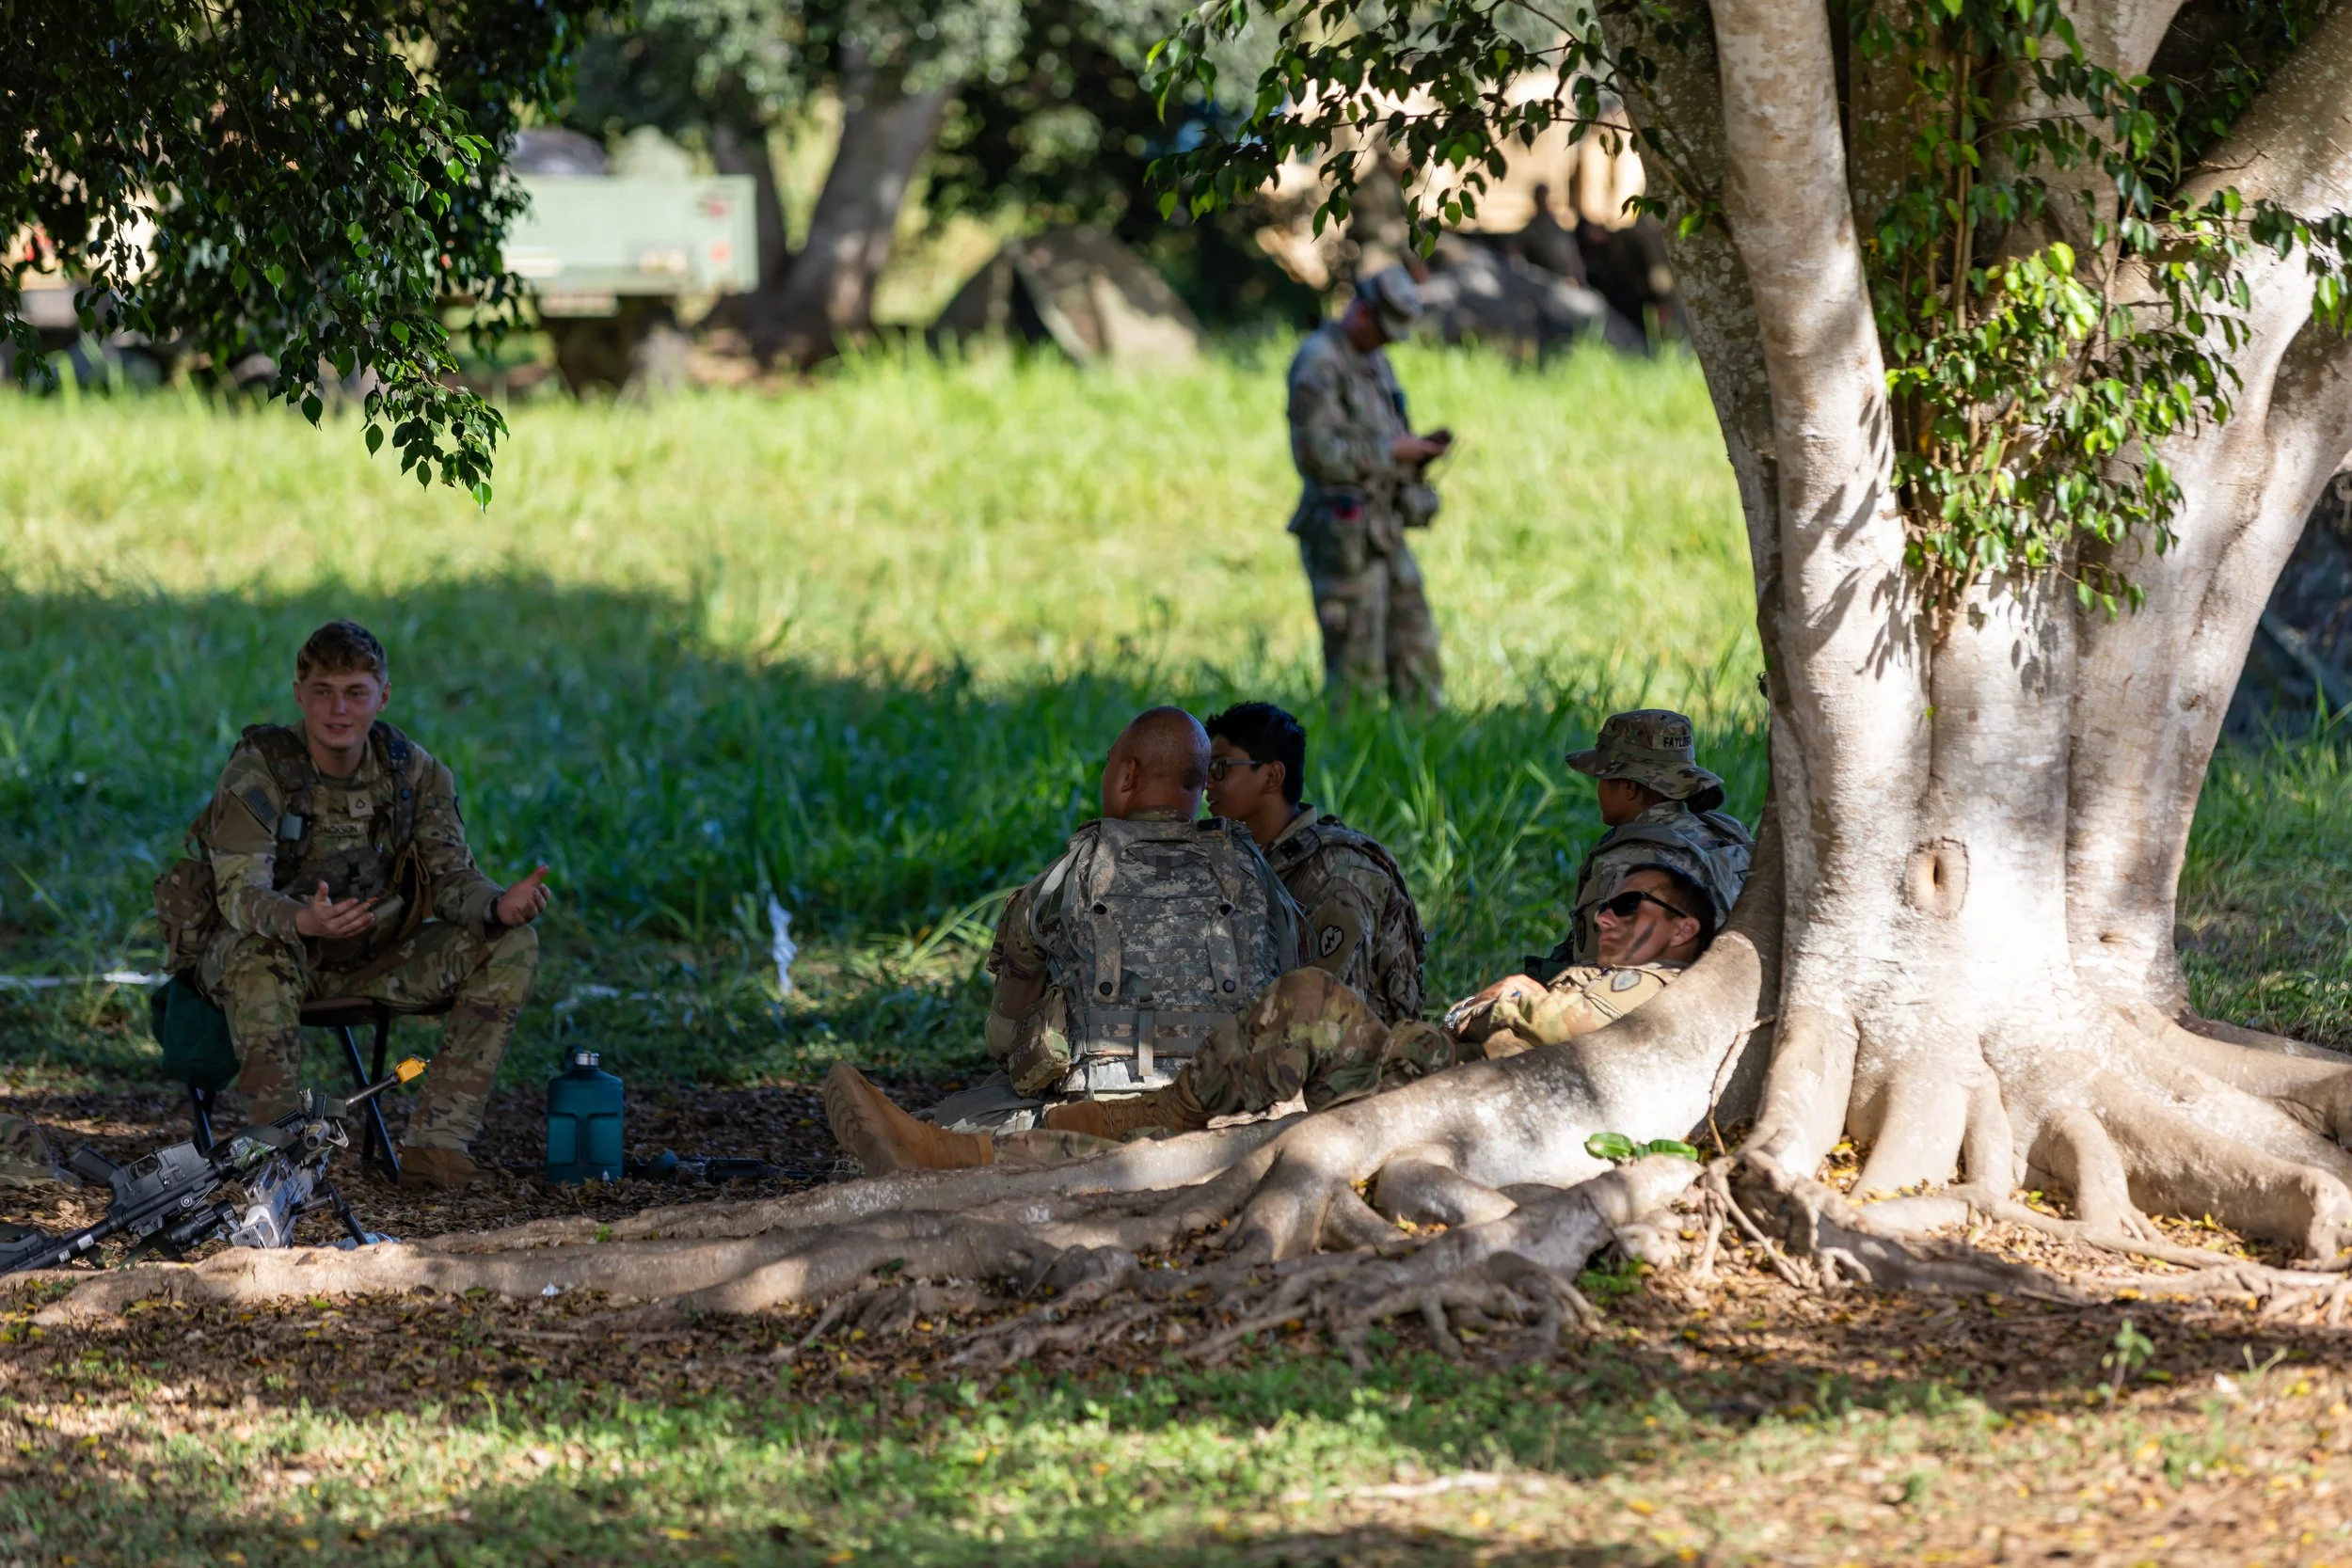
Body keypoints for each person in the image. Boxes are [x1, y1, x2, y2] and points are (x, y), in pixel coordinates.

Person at [831, 858, 1718, 1164]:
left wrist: (1521, 1000)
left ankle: (968, 1156)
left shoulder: (1668, 992)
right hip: (1434, 1077)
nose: (1606, 916)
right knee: (1258, 1056)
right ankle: (997, 1144)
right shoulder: (1610, 970)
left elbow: (1596, 1047)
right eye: (1603, 903)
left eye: (1631, 905)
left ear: (1684, 932)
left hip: (1467, 1105)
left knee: (1287, 1029)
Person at [824, 707, 1303, 1170]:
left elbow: (1003, 1036)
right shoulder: (1254, 872)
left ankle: (973, 1148)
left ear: (1127, 776)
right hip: (1231, 1104)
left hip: (1098, 1101)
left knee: (959, 1116)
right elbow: (1295, 973)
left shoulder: (1070, 875)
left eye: (1109, 764)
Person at [183, 621, 548, 1192]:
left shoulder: (414, 772)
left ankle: (438, 1145)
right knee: (259, 960)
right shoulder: (261, 770)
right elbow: (238, 893)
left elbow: (452, 879)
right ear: (299, 693)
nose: (338, 709)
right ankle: (276, 1161)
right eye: (323, 692)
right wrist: (303, 920)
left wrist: (499, 905)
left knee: (510, 945)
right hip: (272, 956)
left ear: (383, 695)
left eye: (355, 692)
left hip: (375, 958)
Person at [1286, 266, 1450, 710]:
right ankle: (1353, 759)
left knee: (1417, 650)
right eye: (1384, 331)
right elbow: (1316, 456)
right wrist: (1395, 452)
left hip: (1384, 526)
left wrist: (1419, 451)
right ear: (1362, 313)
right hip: (1343, 533)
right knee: (1355, 668)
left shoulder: (1374, 361)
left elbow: (1386, 429)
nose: (1387, 343)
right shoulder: (1319, 361)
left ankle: (1423, 750)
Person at [1202, 702, 1424, 1024]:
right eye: (1205, 770)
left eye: (1220, 768)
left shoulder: (1337, 872)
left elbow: (1331, 1022)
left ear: (1272, 776)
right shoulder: (1248, 858)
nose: (1207, 783)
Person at [1519, 708, 1752, 981]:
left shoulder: (1628, 860)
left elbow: (1597, 972)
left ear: (1630, 787)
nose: (1599, 791)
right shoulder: (1730, 835)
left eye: (1604, 779)